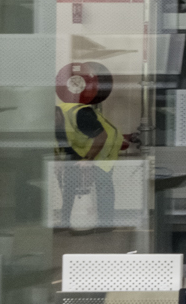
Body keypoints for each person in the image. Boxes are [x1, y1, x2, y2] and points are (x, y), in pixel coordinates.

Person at [54, 60, 135, 229]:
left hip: (105, 146)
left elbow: (102, 137)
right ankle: (65, 222)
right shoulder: (54, 122)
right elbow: (59, 144)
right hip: (81, 148)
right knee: (69, 184)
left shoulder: (80, 114)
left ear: (57, 114)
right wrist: (58, 162)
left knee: (102, 183)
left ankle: (106, 224)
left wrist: (88, 160)